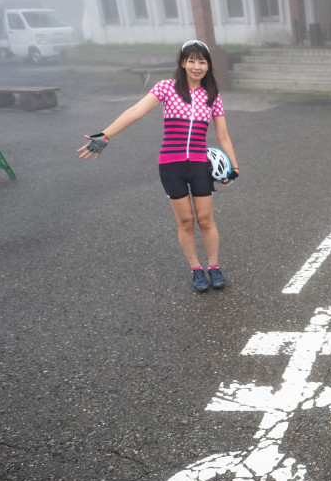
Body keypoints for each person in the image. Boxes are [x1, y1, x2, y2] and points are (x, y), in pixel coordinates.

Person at [77, 40, 239, 292]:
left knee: (205, 219)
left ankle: (214, 267)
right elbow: (136, 111)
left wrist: (233, 167)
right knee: (186, 221)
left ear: (208, 65)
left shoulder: (212, 96)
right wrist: (105, 135)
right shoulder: (167, 88)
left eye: (202, 61)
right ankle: (196, 269)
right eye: (191, 60)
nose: (197, 66)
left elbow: (223, 136)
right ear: (183, 63)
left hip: (199, 165)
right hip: (170, 165)